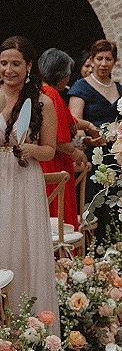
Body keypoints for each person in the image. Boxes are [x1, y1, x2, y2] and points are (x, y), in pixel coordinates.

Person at [0, 36, 60, 326]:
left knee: (22, 246)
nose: (8, 70)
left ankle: (27, 324)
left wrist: (33, 149)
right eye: (3, 63)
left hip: (24, 178)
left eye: (15, 63)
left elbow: (50, 149)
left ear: (29, 66)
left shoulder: (42, 102)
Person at [68, 39, 122, 241]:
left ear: (114, 61)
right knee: (91, 206)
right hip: (92, 156)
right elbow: (74, 123)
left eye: (108, 59)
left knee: (114, 207)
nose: (103, 63)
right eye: (99, 58)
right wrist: (88, 139)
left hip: (114, 156)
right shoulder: (81, 87)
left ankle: (114, 253)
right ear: (91, 60)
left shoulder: (119, 89)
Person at [38, 48, 99, 228]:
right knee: (59, 217)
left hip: (47, 162)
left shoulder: (41, 91)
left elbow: (68, 120)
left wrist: (87, 125)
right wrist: (75, 153)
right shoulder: (52, 95)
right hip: (54, 163)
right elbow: (54, 138)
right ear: (61, 74)